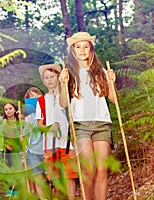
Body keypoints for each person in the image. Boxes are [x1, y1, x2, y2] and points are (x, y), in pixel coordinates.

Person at [59, 32, 117, 200]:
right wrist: (63, 84)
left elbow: (113, 99)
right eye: (78, 47)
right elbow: (64, 103)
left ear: (91, 49)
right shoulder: (68, 73)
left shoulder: (102, 71)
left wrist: (111, 82)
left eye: (86, 46)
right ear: (73, 50)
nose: (82, 50)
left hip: (102, 123)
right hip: (80, 124)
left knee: (102, 169)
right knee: (89, 169)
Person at [36, 64, 78, 200]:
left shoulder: (66, 94)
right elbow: (39, 125)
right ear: (43, 81)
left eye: (52, 77)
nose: (49, 80)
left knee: (69, 173)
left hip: (66, 141)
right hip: (49, 144)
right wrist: (49, 128)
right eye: (46, 78)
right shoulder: (41, 100)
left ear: (58, 77)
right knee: (53, 176)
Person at [23, 87, 50, 200]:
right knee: (38, 178)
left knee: (49, 178)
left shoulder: (48, 112)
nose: (35, 99)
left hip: (47, 148)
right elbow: (26, 135)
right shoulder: (28, 118)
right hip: (33, 150)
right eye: (32, 97)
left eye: (37, 96)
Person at [0, 102, 23, 197]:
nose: (8, 111)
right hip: (6, 149)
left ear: (15, 109)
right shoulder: (2, 121)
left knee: (17, 169)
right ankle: (9, 190)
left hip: (17, 148)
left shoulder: (19, 120)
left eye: (10, 108)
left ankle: (15, 189)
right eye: (6, 109)